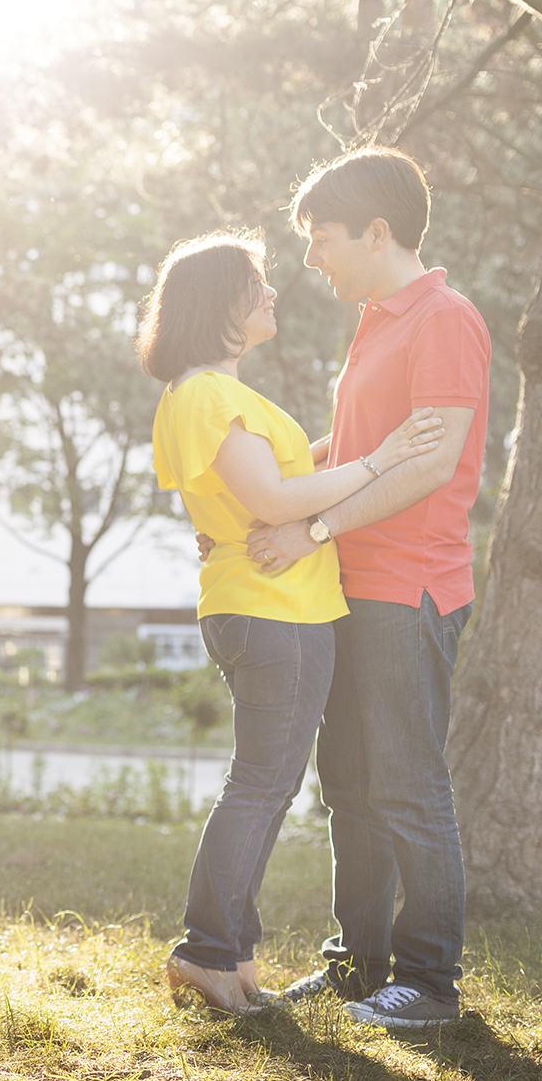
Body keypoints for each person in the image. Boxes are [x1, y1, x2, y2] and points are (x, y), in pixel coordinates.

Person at [137, 230, 442, 1016]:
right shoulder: (208, 393)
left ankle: (230, 959)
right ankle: (208, 951)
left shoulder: (199, 395)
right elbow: (273, 502)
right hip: (277, 610)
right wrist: (379, 461)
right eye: (258, 282)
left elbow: (272, 479)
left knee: (262, 788)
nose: (273, 292)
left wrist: (355, 450)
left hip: (256, 606)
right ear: (221, 303)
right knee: (260, 788)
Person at [243, 148, 490, 1030]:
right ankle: (359, 964)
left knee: (408, 785)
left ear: (377, 233)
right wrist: (261, 492)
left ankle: (428, 984)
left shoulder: (445, 319)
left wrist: (307, 527)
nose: (312, 258)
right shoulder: (378, 321)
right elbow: (358, 445)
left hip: (407, 584)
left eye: (323, 238)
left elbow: (428, 463)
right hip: (349, 582)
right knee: (348, 784)